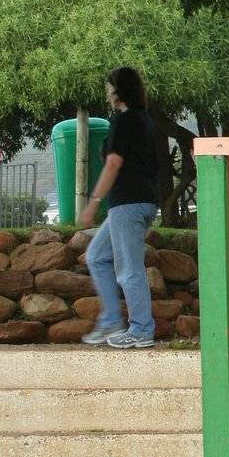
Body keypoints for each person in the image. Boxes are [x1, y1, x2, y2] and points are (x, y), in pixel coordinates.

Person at [79, 66, 161, 349]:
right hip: (140, 202)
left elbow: (114, 163)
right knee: (97, 257)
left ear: (118, 91)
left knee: (128, 268)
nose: (107, 93)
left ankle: (141, 330)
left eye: (109, 87)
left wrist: (93, 203)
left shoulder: (126, 121)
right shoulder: (145, 120)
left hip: (127, 203)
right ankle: (112, 320)